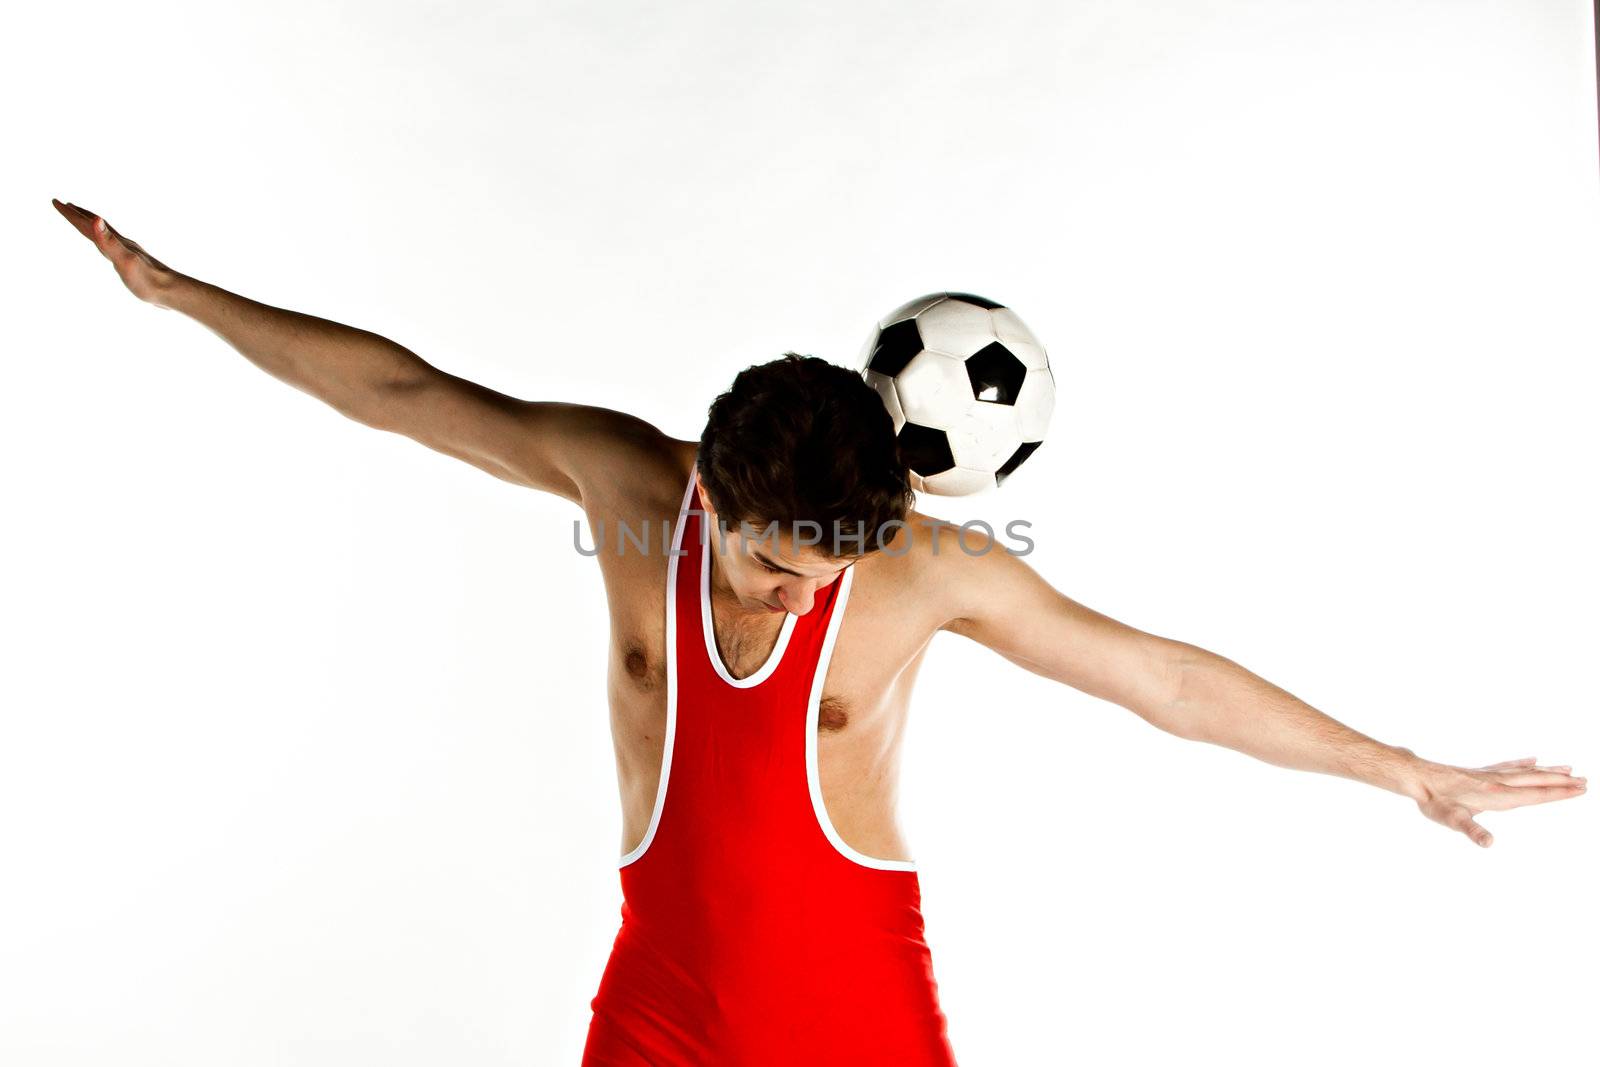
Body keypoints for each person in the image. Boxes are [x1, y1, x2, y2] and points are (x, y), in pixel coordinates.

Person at [52, 200, 1586, 1066]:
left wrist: (1400, 768)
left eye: (824, 577)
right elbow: (398, 392)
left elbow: (1162, 677)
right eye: (782, 567)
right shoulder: (624, 484)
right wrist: (178, 293)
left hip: (848, 1023)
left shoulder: (922, 573)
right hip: (657, 1000)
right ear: (709, 492)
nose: (800, 603)